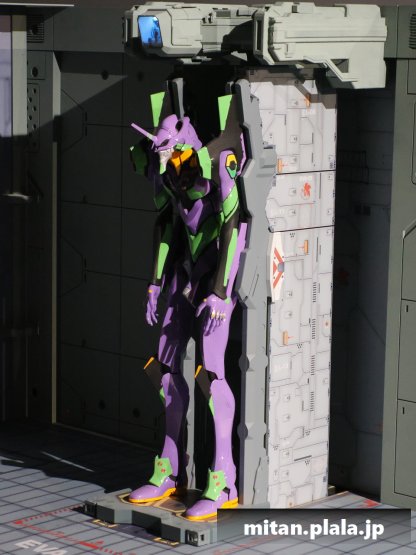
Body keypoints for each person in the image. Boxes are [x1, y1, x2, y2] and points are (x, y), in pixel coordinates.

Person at [128, 94, 246, 520]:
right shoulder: (168, 171)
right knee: (164, 370)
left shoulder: (219, 164)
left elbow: (234, 225)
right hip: (185, 272)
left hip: (214, 275)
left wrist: (221, 290)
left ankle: (224, 480)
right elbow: (167, 224)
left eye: (168, 150)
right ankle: (169, 470)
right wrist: (156, 282)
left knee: (211, 377)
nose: (163, 161)